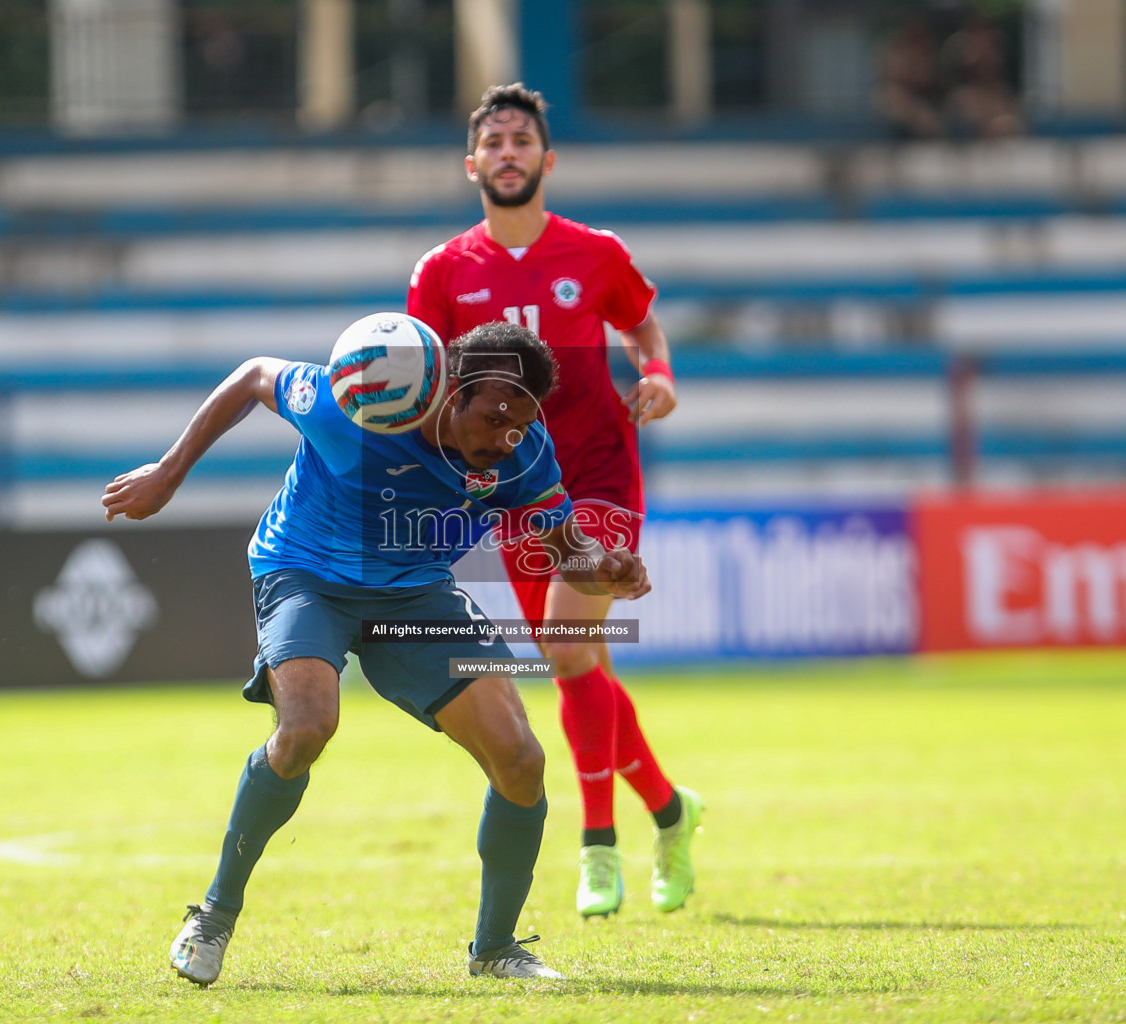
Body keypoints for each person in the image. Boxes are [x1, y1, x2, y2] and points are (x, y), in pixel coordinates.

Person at [101, 317, 650, 985]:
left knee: (521, 759)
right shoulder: (349, 403)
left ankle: (496, 948)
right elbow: (252, 376)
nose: (505, 439)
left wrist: (608, 568)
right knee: (306, 727)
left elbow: (572, 555)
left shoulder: (526, 452)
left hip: (415, 597)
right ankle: (212, 917)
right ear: (451, 392)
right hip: (306, 575)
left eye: (521, 421)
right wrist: (166, 472)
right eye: (494, 419)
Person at [407, 83, 702, 920]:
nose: (508, 152)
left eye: (521, 140)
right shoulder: (441, 272)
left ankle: (599, 849)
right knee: (587, 667)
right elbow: (427, 383)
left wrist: (659, 376)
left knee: (570, 654)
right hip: (518, 495)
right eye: (493, 142)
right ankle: (673, 813)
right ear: (473, 164)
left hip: (601, 475)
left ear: (546, 159)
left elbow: (644, 326)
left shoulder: (594, 254)